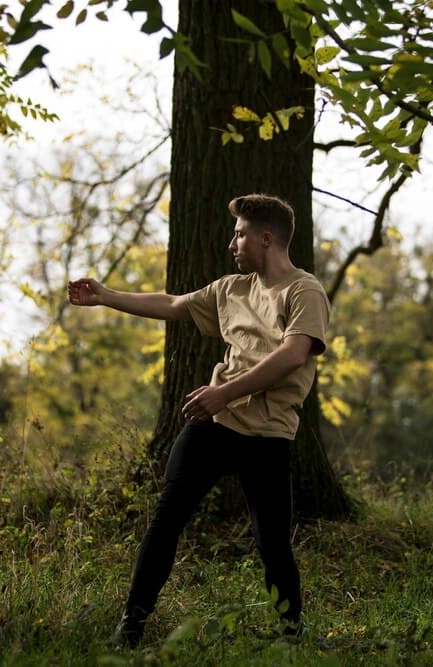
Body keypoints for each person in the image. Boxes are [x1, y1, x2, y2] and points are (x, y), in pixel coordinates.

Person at [67, 193, 330, 648]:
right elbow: (171, 304)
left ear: (266, 239)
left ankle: (290, 636)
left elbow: (294, 354)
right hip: (213, 424)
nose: (233, 242)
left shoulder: (303, 291)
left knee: (272, 542)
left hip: (267, 433)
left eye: (241, 234)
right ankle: (131, 624)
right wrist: (106, 296)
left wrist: (223, 392)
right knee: (166, 518)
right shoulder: (230, 289)